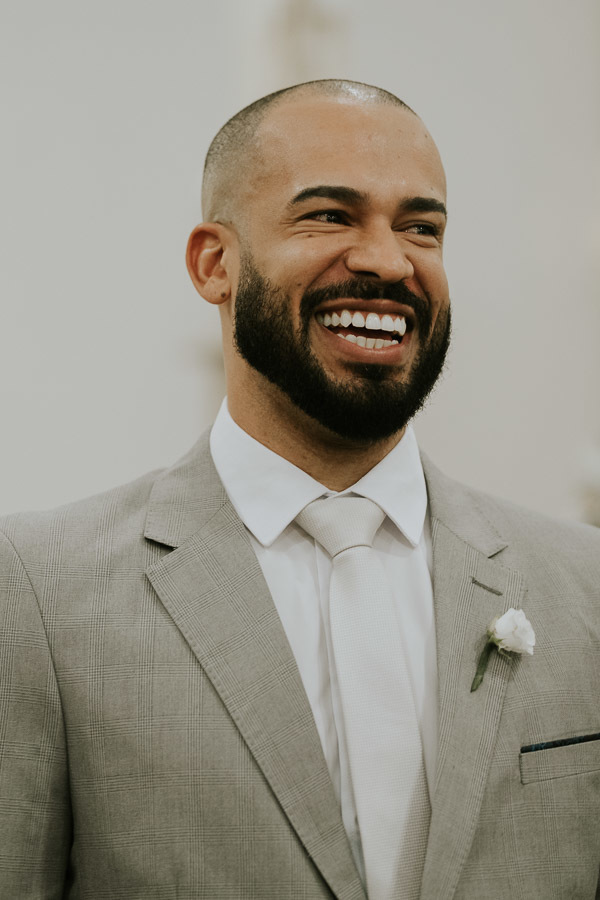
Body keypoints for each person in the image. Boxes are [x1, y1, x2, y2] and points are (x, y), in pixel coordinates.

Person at [1, 79, 599, 900]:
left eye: (420, 227)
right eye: (329, 215)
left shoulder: (584, 582)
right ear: (214, 264)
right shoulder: (36, 594)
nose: (388, 261)